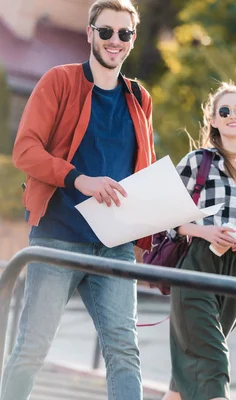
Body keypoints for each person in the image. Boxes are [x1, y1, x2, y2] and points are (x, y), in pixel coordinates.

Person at [3, 1, 154, 399]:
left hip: (115, 246)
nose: (114, 41)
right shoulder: (59, 81)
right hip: (58, 237)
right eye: (105, 31)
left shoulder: (140, 97)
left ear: (133, 39)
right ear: (89, 33)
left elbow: (142, 169)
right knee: (32, 349)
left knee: (125, 352)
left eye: (124, 33)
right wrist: (79, 179)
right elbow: (25, 150)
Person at [162, 82, 236, 400]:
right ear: (213, 120)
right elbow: (168, 220)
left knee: (184, 378)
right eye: (224, 111)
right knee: (211, 362)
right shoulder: (197, 162)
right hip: (198, 262)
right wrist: (205, 231)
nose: (232, 116)